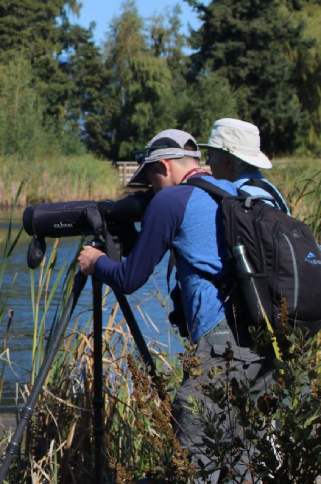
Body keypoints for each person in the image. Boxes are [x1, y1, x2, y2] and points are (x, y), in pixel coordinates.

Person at [77, 130, 273, 483]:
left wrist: (97, 262)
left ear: (163, 166)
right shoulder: (232, 192)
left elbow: (129, 278)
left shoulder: (172, 201)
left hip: (219, 345)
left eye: (150, 181)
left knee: (196, 462)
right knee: (243, 465)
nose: (150, 191)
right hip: (259, 341)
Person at [202, 118, 289, 213]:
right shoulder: (268, 189)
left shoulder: (243, 199)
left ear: (228, 162)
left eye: (209, 156)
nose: (207, 162)